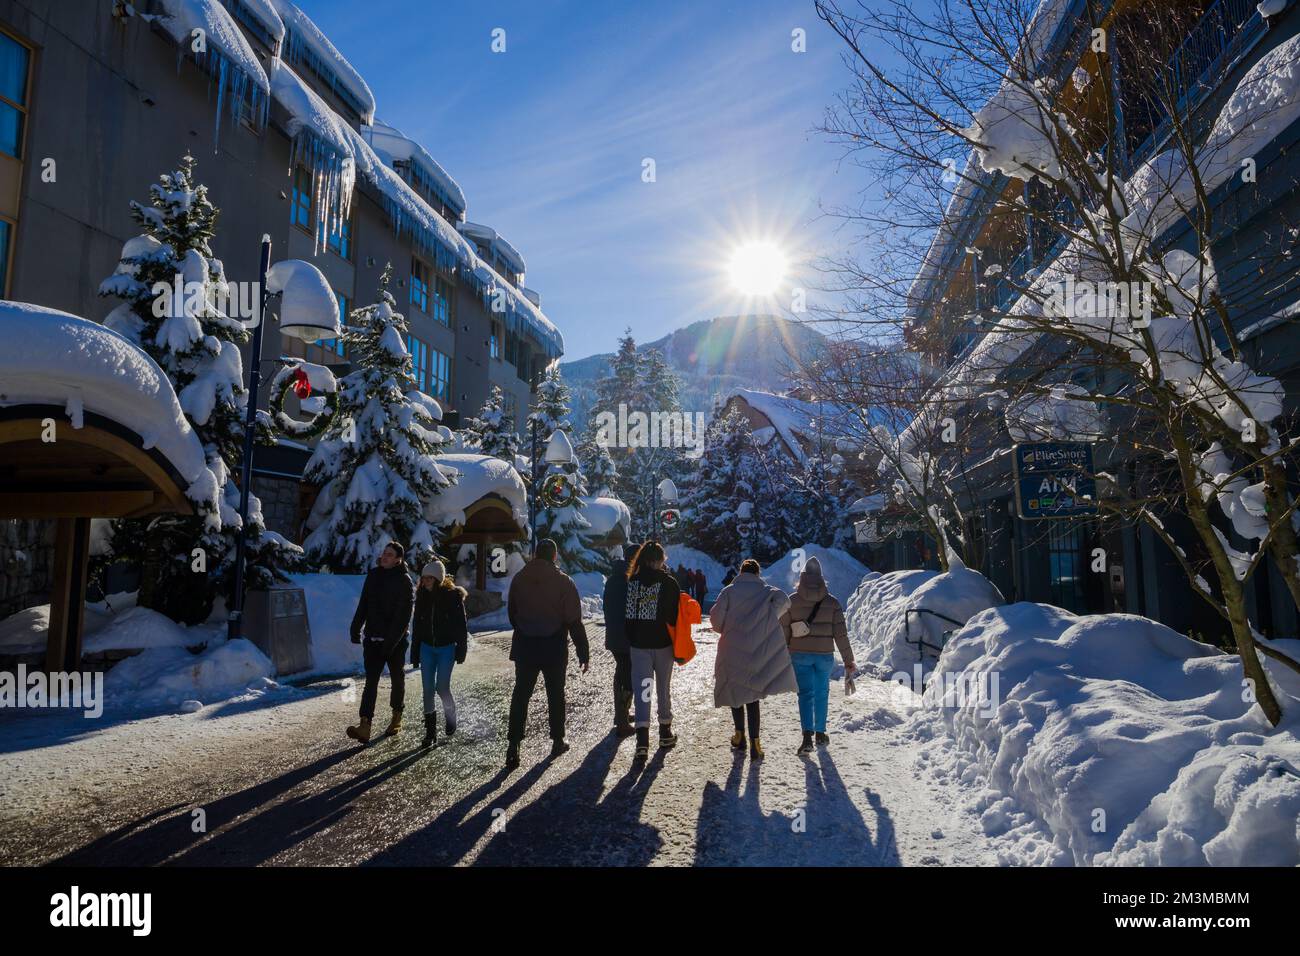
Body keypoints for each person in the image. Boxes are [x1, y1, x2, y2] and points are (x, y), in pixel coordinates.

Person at [504, 538, 590, 770]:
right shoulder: (564, 582)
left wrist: (524, 627)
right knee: (555, 694)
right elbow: (574, 620)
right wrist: (583, 651)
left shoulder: (519, 579)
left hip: (525, 646)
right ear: (554, 556)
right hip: (554, 647)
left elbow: (512, 613)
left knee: (521, 695)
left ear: (535, 555)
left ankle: (513, 745)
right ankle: (557, 740)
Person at [709, 558, 797, 760]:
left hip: (731, 648)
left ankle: (739, 736)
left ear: (741, 572)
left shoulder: (728, 592)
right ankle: (756, 744)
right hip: (758, 650)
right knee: (753, 696)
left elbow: (715, 622)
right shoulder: (766, 591)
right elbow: (785, 600)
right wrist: (768, 618)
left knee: (735, 693)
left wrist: (726, 628)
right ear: (758, 574)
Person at [780, 556, 857, 755]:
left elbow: (784, 630)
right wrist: (848, 660)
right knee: (822, 693)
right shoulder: (832, 603)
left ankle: (807, 737)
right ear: (822, 578)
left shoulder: (792, 601)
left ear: (803, 577)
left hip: (800, 655)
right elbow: (841, 635)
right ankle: (820, 733)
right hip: (824, 656)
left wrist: (786, 650)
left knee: (805, 694)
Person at [347, 541, 415, 745]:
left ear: (398, 559)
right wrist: (355, 627)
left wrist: (390, 643)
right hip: (373, 639)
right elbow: (364, 603)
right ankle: (365, 725)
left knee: (397, 679)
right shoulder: (373, 575)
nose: (384, 557)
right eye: (384, 553)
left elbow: (403, 618)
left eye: (389, 554)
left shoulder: (404, 581)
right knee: (371, 682)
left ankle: (396, 716)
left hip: (395, 642)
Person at [624, 541, 681, 760]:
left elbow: (628, 617)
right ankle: (665, 732)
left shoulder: (633, 582)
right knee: (663, 688)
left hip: (639, 647)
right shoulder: (668, 583)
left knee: (643, 691)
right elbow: (673, 616)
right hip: (663, 645)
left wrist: (634, 638)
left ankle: (642, 742)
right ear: (655, 560)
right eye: (661, 560)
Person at [410, 559, 468, 749]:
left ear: (438, 579)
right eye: (424, 577)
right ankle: (430, 733)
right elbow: (417, 626)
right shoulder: (421, 596)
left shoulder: (452, 596)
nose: (425, 581)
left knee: (441, 687)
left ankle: (451, 715)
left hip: (446, 649)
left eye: (429, 578)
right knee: (427, 690)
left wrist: (461, 649)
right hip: (427, 648)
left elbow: (461, 625)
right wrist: (415, 652)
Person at [602, 542, 638, 738]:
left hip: (615, 636)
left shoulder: (614, 578)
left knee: (621, 673)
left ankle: (621, 715)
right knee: (627, 677)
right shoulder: (629, 580)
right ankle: (622, 721)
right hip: (626, 637)